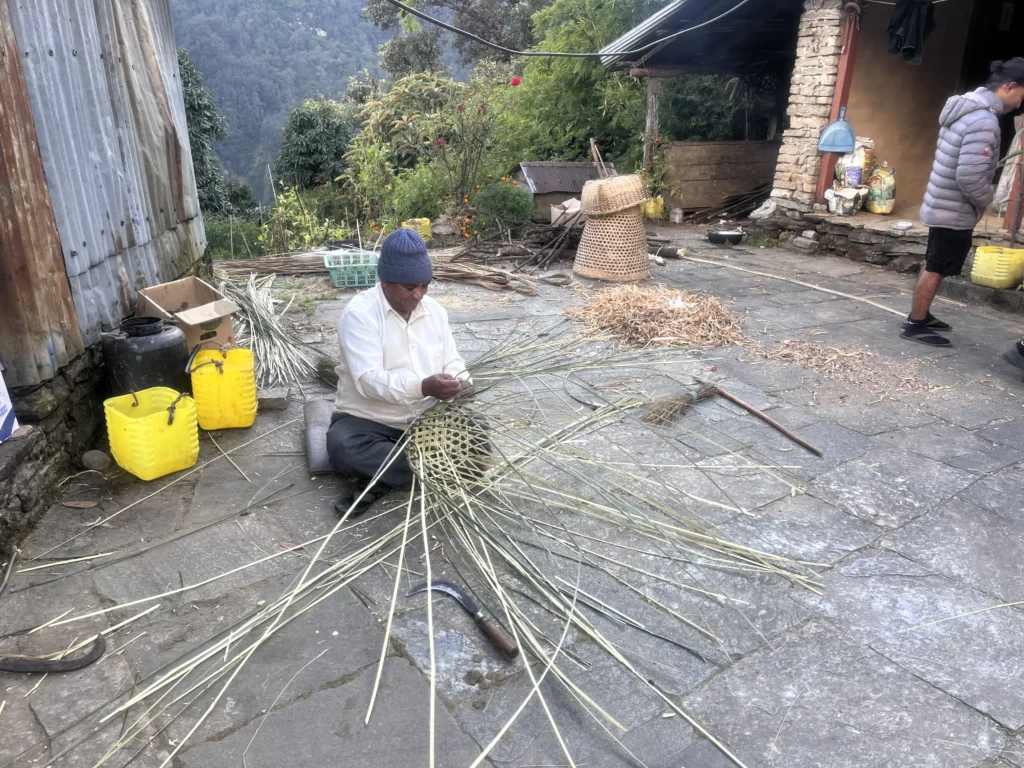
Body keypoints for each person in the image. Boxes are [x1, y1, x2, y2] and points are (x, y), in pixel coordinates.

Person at [328, 228, 472, 516]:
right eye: (409, 288)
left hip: (426, 418)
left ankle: (383, 476)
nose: (419, 294)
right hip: (368, 420)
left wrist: (463, 383)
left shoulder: (435, 312)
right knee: (342, 447)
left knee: (478, 431)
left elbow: (452, 361)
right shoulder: (359, 314)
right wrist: (423, 387)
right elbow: (369, 381)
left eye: (425, 285)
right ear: (385, 281)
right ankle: (426, 470)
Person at [902, 59, 1024, 347]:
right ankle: (915, 324)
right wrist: (985, 202)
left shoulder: (965, 108)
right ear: (1009, 86)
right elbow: (970, 174)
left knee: (935, 260)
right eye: (1022, 95)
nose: (1020, 105)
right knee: (937, 264)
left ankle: (922, 314)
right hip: (953, 207)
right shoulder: (983, 120)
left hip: (941, 200)